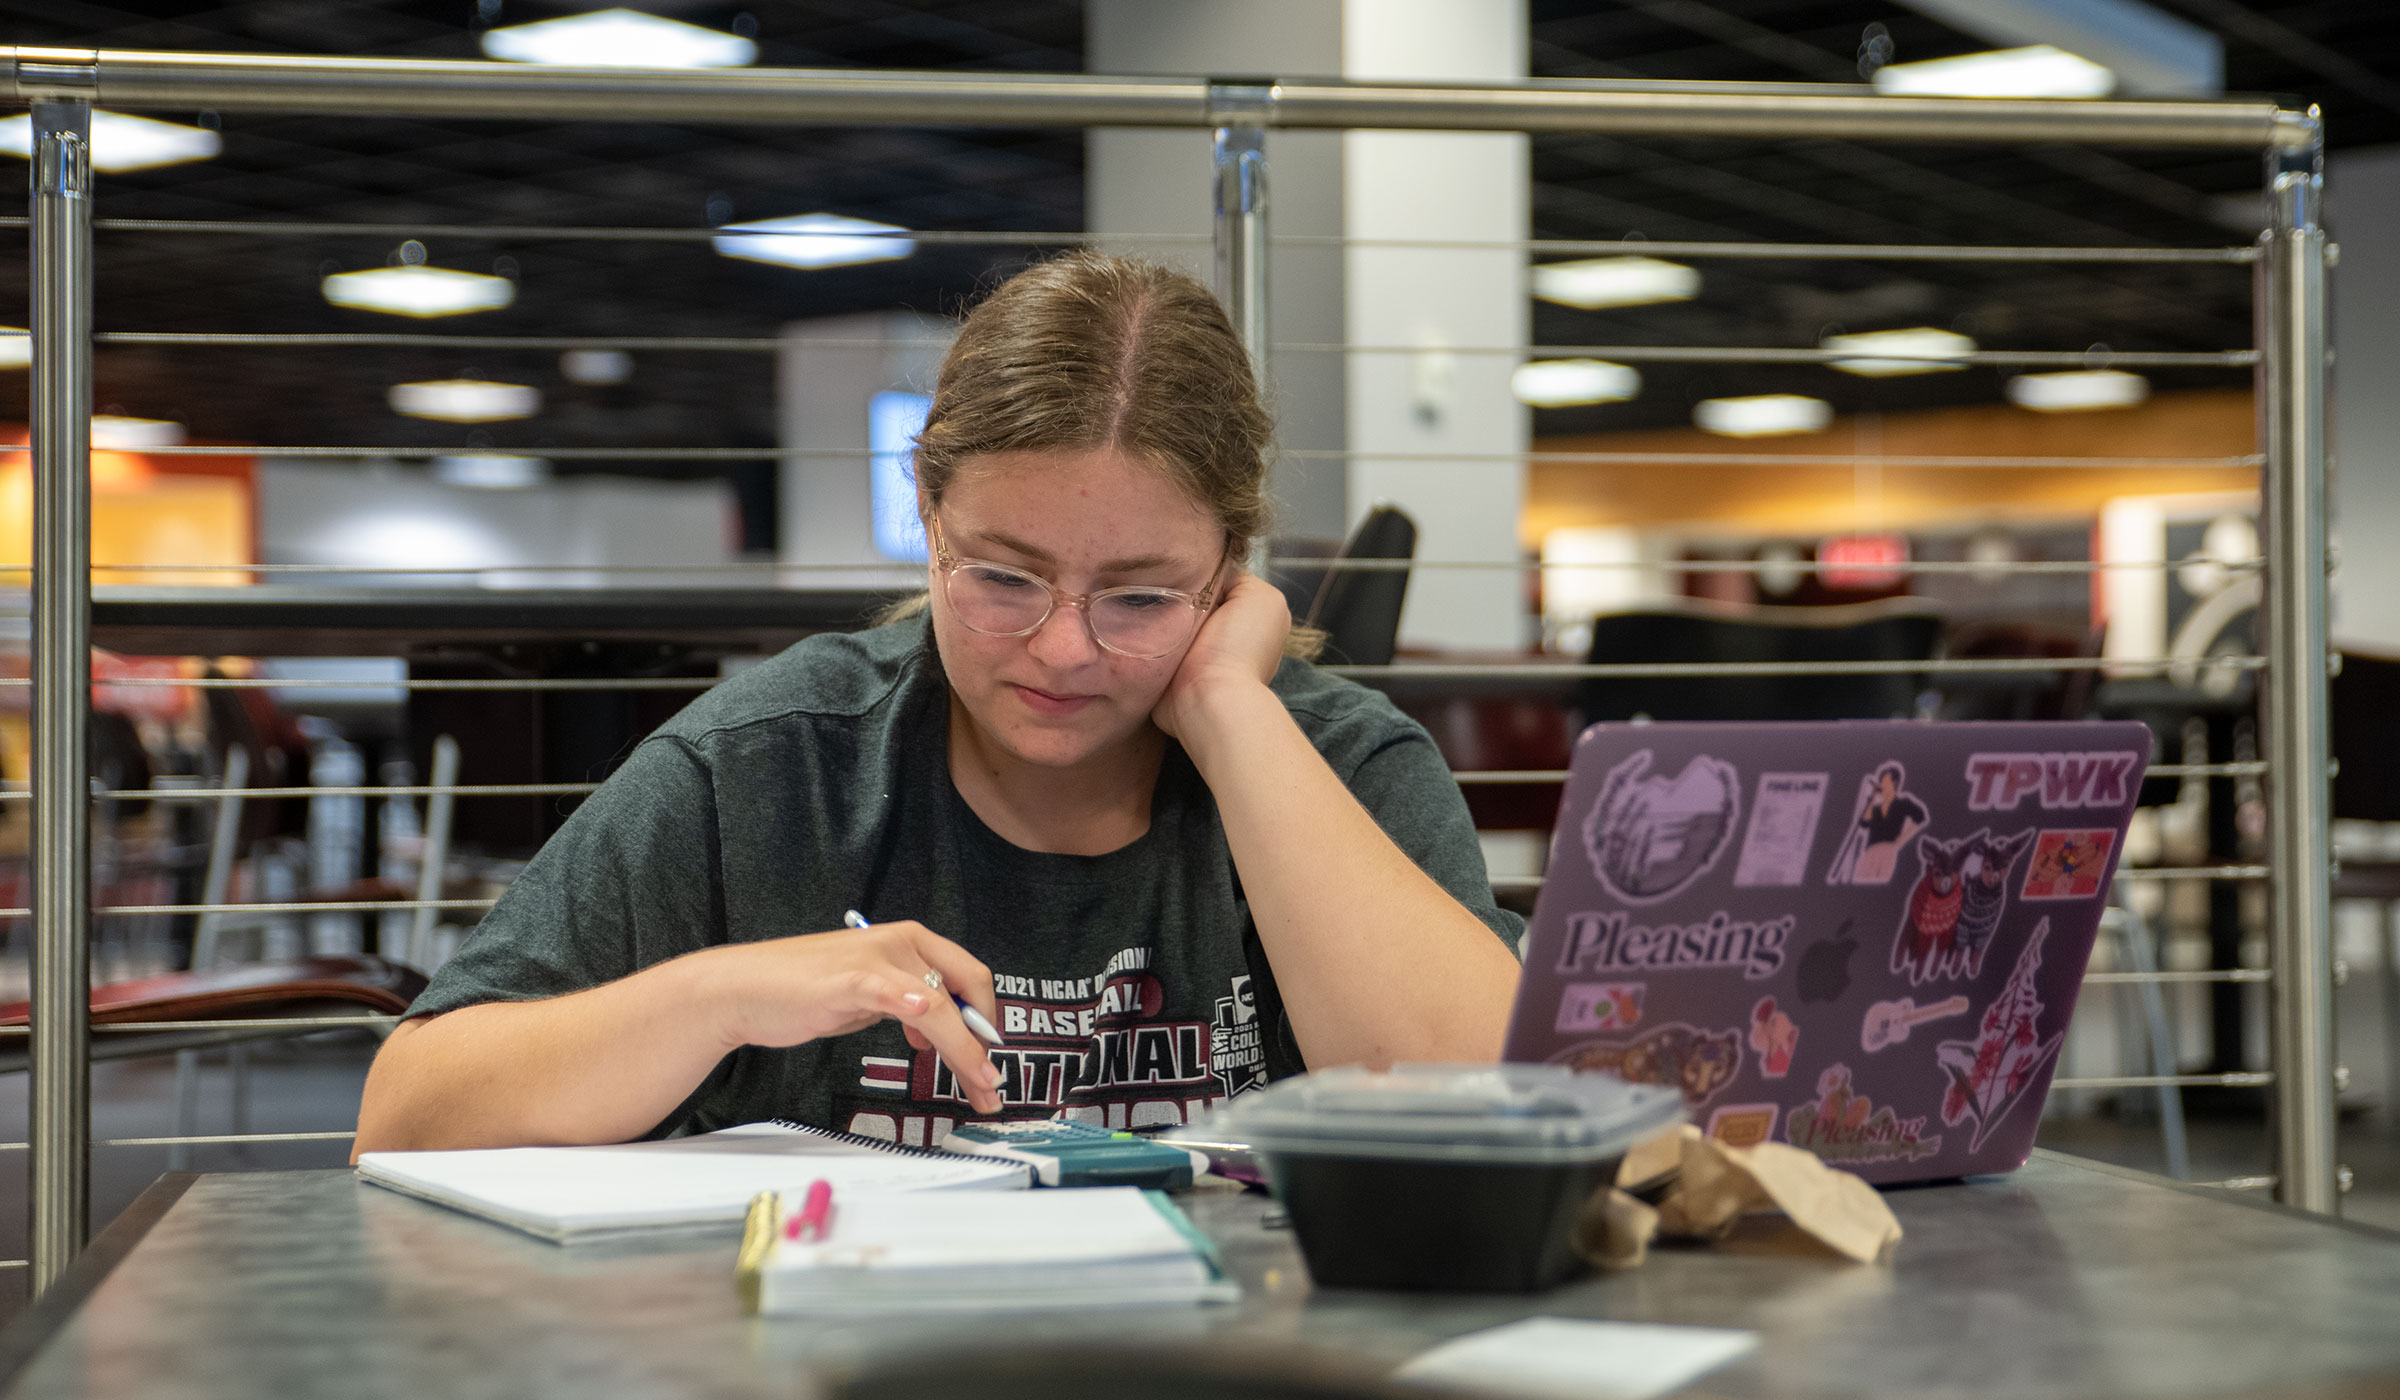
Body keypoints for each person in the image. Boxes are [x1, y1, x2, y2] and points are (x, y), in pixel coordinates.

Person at [352, 253, 1525, 1155]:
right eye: (1004, 577)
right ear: (927, 514)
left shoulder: (1339, 766)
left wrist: (1228, 704)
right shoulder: (774, 766)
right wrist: (715, 995)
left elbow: (1501, 1119)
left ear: (1229, 565)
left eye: (1141, 595)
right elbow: (404, 1115)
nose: (1063, 649)